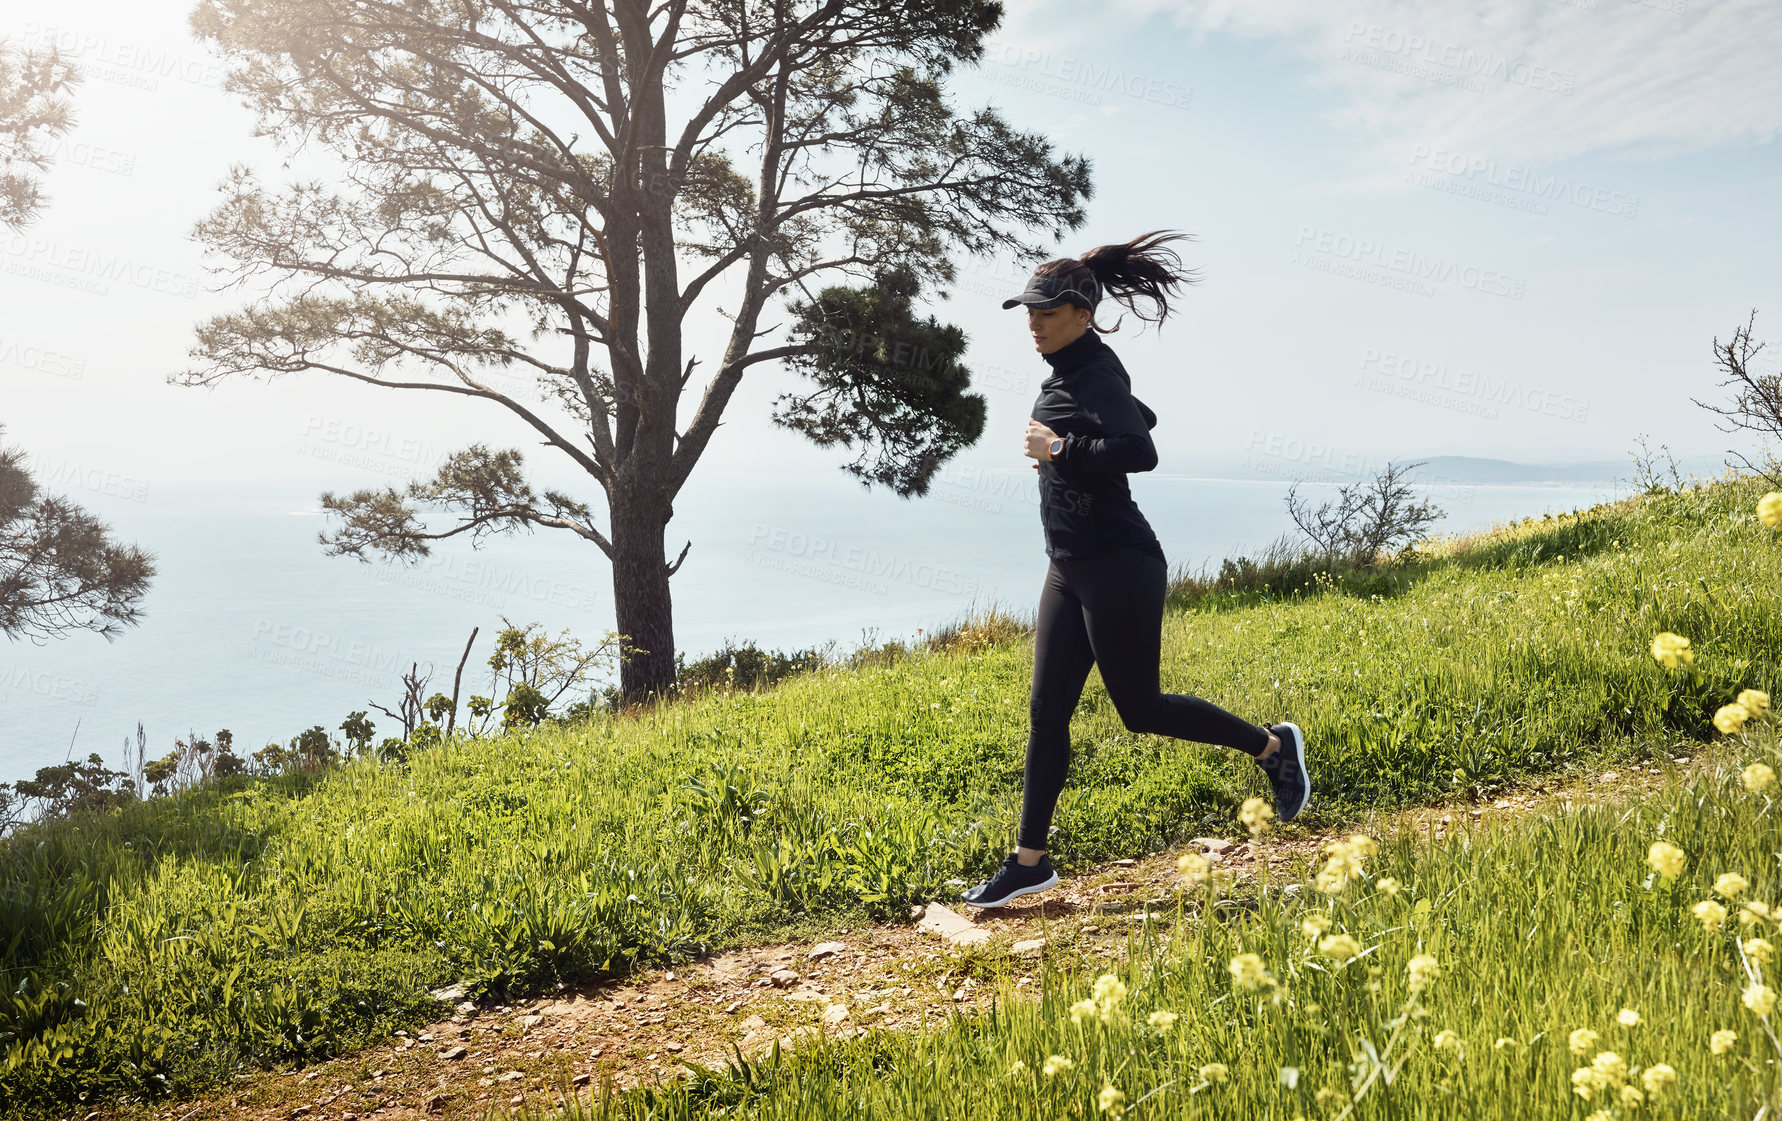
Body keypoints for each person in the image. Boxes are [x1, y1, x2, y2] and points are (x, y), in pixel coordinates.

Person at [960, 230, 1311, 909]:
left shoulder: (1089, 371)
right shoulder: (1077, 368)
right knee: (1045, 713)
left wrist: (1060, 446)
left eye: (1047, 312)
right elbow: (1132, 413)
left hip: (1119, 563)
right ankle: (1029, 859)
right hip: (1068, 565)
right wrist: (1073, 444)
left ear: (1082, 313)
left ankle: (1272, 746)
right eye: (1028, 312)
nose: (1033, 323)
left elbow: (1140, 448)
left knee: (1141, 709)